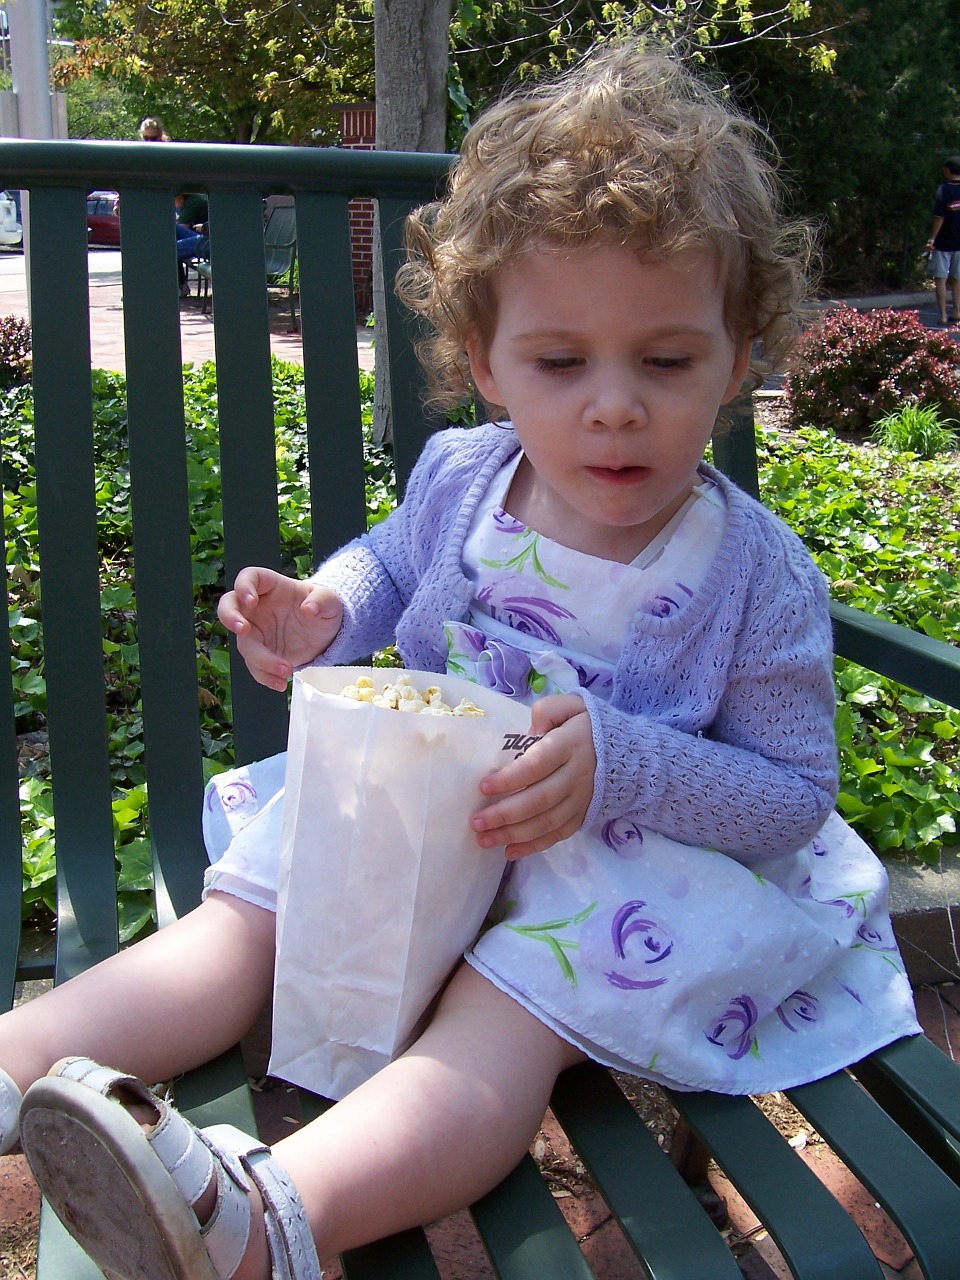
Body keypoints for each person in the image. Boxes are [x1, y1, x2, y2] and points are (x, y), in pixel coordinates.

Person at [1, 42, 921, 1280]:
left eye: (665, 359)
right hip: (416, 799)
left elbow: (792, 797)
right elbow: (391, 556)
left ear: (739, 355)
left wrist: (627, 768)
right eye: (559, 362)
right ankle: (18, 1062)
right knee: (247, 917)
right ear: (484, 365)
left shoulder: (755, 576)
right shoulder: (466, 477)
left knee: (505, 1016)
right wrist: (330, 607)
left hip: (603, 863)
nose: (613, 406)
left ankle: (266, 1222)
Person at [926, 154, 960, 326]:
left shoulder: (944, 189)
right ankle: (957, 311)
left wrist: (932, 238)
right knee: (957, 279)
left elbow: (939, 216)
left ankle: (944, 314)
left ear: (947, 170)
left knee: (941, 278)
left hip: (944, 241)